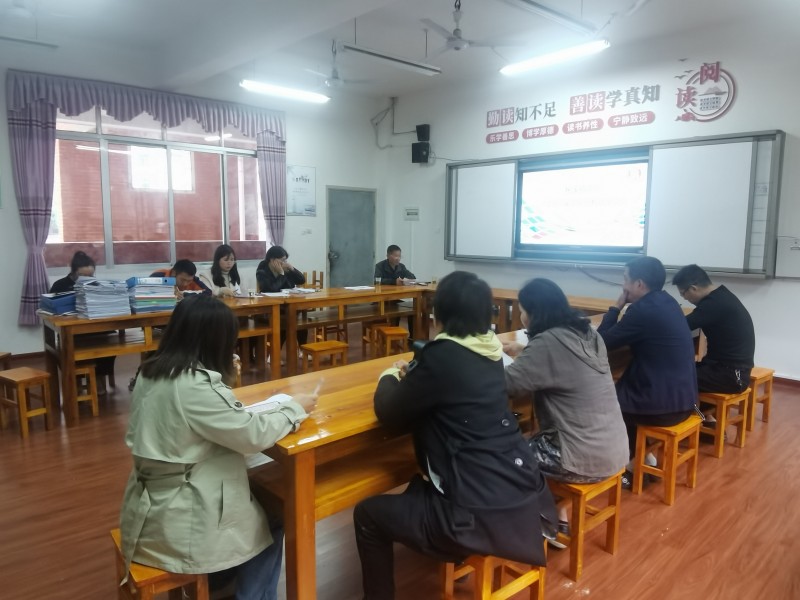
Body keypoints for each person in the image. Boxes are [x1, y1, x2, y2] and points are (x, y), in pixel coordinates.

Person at [353, 271, 557, 600]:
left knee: (368, 514)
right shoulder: (491, 354)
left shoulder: (443, 355)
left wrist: (389, 375)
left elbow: (389, 413)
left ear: (439, 315)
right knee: (416, 488)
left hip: (475, 512)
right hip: (520, 495)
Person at [119, 295, 317, 600]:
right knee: (276, 515)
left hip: (151, 502)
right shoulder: (194, 385)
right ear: (215, 340)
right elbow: (252, 435)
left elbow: (207, 420)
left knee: (256, 501)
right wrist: (294, 408)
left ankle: (220, 582)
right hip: (181, 516)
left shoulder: (152, 371)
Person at [502, 278, 629, 545]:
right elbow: (564, 361)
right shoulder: (589, 334)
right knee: (530, 443)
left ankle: (536, 523)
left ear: (534, 313)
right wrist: (525, 350)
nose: (522, 317)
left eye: (522, 311)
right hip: (615, 450)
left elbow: (509, 384)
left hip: (579, 457)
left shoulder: (547, 342)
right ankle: (557, 513)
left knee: (502, 457)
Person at [597, 256, 698, 486]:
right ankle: (644, 458)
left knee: (604, 401)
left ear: (639, 284)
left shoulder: (642, 311)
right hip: (686, 400)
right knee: (621, 390)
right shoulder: (668, 302)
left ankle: (633, 469)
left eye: (625, 279)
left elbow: (600, 342)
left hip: (662, 408)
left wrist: (615, 307)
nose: (623, 285)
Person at [672, 264, 755, 393]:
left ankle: (691, 406)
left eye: (683, 294)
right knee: (675, 370)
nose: (684, 298)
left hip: (732, 376)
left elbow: (678, 327)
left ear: (693, 288)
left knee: (669, 377)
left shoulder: (713, 304)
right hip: (722, 368)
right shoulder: (721, 295)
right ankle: (699, 407)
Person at [50, 250, 116, 394]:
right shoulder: (60, 286)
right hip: (73, 332)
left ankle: (98, 377)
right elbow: (51, 309)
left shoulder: (97, 285)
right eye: (82, 276)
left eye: (90, 276)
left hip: (94, 329)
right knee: (69, 349)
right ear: (73, 272)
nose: (87, 279)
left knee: (110, 341)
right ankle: (76, 381)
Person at [256, 246, 309, 349]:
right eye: (282, 260)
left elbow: (301, 280)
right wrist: (281, 274)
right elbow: (271, 288)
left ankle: (302, 349)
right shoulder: (262, 270)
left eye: (285, 260)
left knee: (300, 322)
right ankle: (275, 352)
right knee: (286, 321)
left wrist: (292, 269)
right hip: (270, 308)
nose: (284, 263)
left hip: (287, 305)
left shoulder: (285, 268)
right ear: (272, 260)